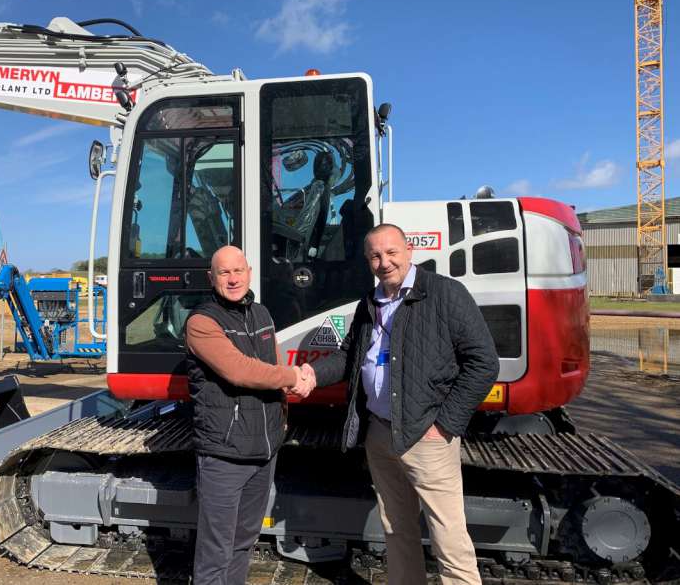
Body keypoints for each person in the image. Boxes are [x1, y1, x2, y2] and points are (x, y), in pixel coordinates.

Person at [302, 224, 499, 585]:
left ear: (409, 252)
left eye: (391, 252)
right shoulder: (370, 302)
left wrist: (445, 425)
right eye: (375, 255)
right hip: (380, 432)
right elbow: (350, 356)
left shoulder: (444, 294)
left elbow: (484, 362)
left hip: (428, 435)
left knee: (449, 539)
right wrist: (311, 374)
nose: (384, 262)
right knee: (396, 529)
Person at [185, 245, 315, 585]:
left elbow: (271, 365)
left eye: (238, 271)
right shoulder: (202, 322)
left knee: (243, 543)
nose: (232, 279)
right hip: (224, 454)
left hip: (264, 450)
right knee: (216, 552)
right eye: (224, 273)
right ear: (211, 278)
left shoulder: (261, 314)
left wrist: (282, 417)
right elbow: (239, 371)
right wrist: (292, 377)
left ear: (249, 273)